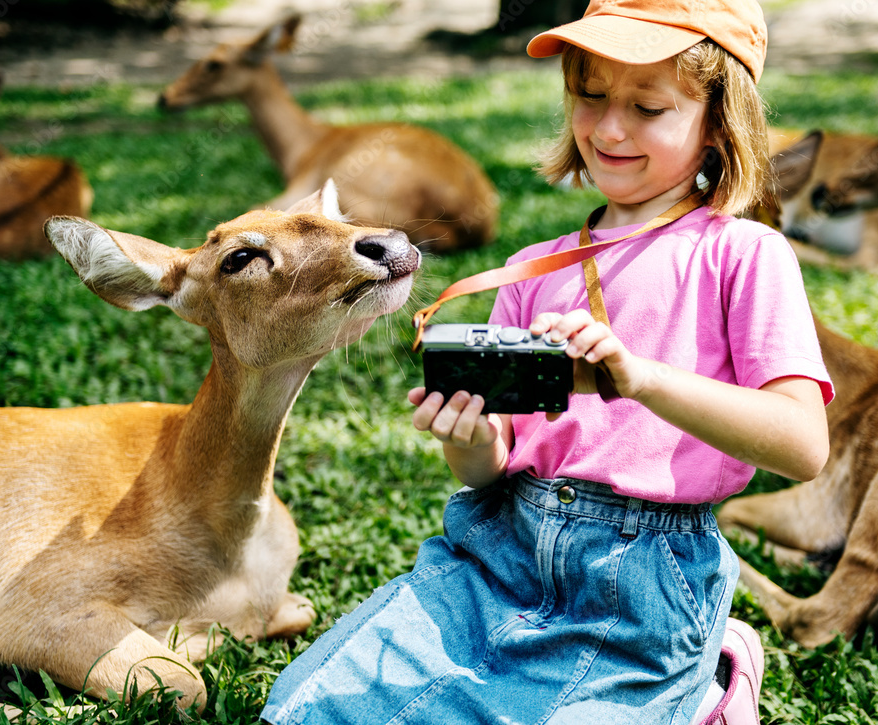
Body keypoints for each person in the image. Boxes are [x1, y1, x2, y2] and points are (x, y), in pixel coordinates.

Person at [260, 0, 833, 723]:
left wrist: (643, 378)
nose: (610, 127)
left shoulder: (742, 255)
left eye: (648, 106)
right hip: (498, 560)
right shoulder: (531, 269)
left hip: (641, 588)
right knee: (302, 709)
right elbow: (491, 465)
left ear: (720, 121)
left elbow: (803, 443)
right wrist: (468, 438)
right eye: (590, 97)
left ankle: (715, 683)